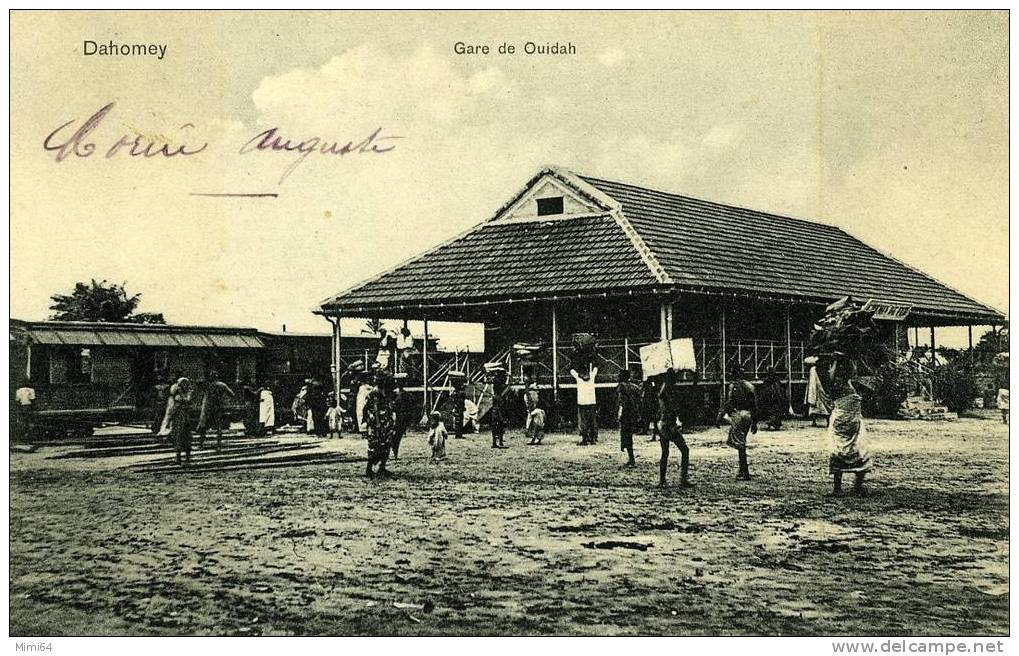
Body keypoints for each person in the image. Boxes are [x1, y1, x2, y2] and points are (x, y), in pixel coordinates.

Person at [820, 359, 871, 496]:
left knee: (837, 450)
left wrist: (836, 360)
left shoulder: (835, 386)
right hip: (853, 420)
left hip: (841, 418)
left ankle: (838, 488)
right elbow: (852, 371)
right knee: (858, 449)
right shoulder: (850, 386)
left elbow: (834, 374)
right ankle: (858, 486)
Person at [717, 366, 758, 481]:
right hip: (748, 415)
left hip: (738, 414)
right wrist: (755, 422)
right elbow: (754, 405)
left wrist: (720, 415)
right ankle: (743, 470)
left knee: (740, 445)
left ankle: (744, 471)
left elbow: (729, 402)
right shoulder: (750, 386)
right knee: (742, 441)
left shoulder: (733, 386)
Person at [657, 369, 691, 488]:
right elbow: (672, 408)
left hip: (663, 423)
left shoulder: (663, 389)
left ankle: (662, 480)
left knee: (665, 452)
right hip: (669, 424)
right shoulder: (669, 391)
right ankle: (683, 478)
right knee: (684, 450)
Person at [365, 371, 397, 478]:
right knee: (376, 445)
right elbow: (375, 408)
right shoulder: (376, 392)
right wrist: (378, 423)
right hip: (378, 424)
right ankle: (369, 468)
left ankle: (381, 467)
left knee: (386, 445)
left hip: (385, 423)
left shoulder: (384, 392)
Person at [196, 372, 236, 451]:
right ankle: (218, 446)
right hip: (217, 407)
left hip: (207, 408)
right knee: (218, 427)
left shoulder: (207, 385)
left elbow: (199, 388)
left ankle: (201, 445)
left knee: (203, 426)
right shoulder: (222, 385)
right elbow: (232, 394)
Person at [161, 377, 195, 468]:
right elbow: (170, 409)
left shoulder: (187, 394)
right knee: (177, 438)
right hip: (177, 419)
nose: (183, 386)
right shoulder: (175, 397)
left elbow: (187, 400)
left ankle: (187, 458)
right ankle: (178, 458)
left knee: (186, 438)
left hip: (184, 419)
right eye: (181, 384)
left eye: (185, 384)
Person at [616, 370, 641, 467]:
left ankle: (631, 459)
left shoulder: (621, 386)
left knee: (626, 436)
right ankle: (631, 458)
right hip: (633, 414)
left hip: (626, 414)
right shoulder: (634, 387)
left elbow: (622, 402)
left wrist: (619, 413)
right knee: (629, 436)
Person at [571, 365, 599, 445]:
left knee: (583, 422)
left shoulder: (579, 378)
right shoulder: (592, 377)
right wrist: (591, 370)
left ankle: (584, 438)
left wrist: (578, 373)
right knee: (592, 421)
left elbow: (572, 371)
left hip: (582, 403)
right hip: (591, 402)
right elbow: (595, 369)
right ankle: (593, 438)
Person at [391, 373, 415, 458]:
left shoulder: (401, 394)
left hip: (400, 417)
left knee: (397, 435)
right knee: (396, 435)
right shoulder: (403, 394)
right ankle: (394, 451)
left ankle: (394, 451)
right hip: (397, 416)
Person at [757, 366, 785, 431]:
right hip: (774, 397)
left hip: (772, 397)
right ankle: (775, 424)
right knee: (775, 410)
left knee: (773, 410)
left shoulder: (768, 380)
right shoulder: (776, 380)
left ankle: (773, 423)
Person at [489, 371, 511, 449]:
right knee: (499, 425)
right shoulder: (500, 386)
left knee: (496, 426)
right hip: (499, 409)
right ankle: (499, 442)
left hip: (497, 408)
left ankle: (496, 442)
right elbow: (507, 389)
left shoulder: (497, 390)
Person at [524, 380, 545, 445]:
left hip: (534, 411)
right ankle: (539, 440)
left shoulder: (530, 394)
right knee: (539, 426)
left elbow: (530, 405)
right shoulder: (535, 394)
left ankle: (533, 440)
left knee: (532, 425)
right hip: (538, 411)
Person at [640, 378, 661, 442]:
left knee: (654, 419)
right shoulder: (654, 384)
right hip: (652, 403)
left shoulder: (649, 384)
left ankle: (654, 434)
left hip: (651, 403)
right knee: (655, 420)